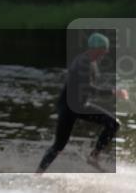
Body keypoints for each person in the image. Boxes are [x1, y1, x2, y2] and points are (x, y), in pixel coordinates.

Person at [36, 32, 128, 173]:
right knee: (59, 146)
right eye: (104, 49)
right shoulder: (82, 63)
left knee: (113, 124)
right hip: (68, 107)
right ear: (96, 48)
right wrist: (113, 92)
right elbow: (88, 88)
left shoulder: (91, 62)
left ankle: (94, 156)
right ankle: (38, 174)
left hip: (81, 106)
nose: (106, 52)